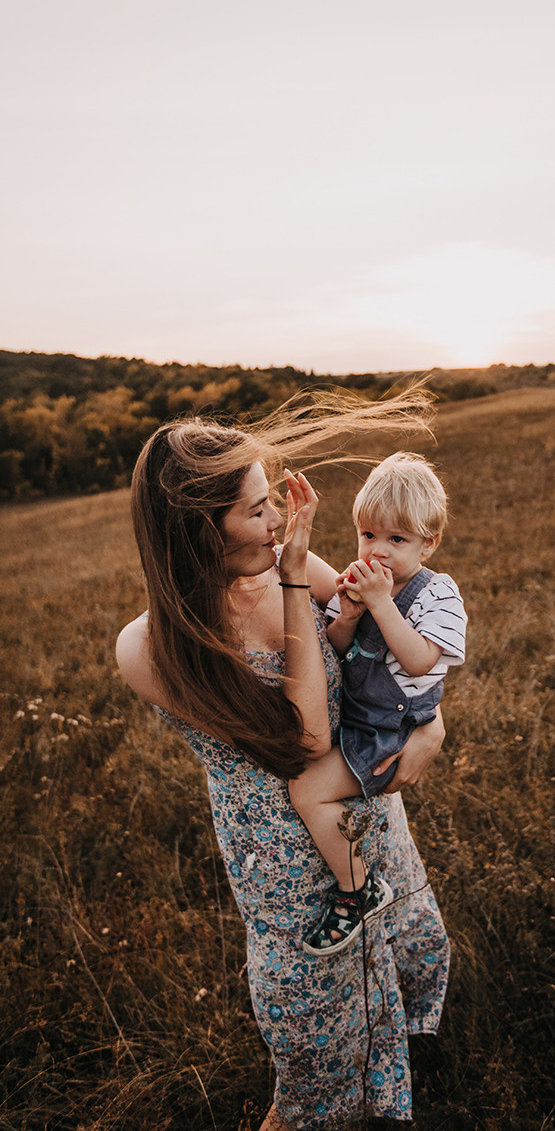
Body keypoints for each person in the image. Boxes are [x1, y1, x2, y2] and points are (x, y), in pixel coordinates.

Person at [115, 392, 450, 1131]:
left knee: (399, 961)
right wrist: (297, 582)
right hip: (283, 863)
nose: (279, 524)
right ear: (198, 533)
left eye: (274, 502)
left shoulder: (288, 566)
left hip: (365, 814)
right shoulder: (150, 647)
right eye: (256, 511)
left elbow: (394, 660)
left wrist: (429, 730)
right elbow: (300, 739)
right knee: (312, 1048)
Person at [289, 454, 466, 958]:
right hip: (357, 717)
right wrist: (346, 616)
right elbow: (341, 651)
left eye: (397, 540)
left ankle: (356, 887)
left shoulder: (439, 595)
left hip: (390, 729)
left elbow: (416, 661)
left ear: (428, 542)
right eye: (368, 536)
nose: (378, 551)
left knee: (307, 791)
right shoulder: (358, 582)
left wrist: (383, 604)